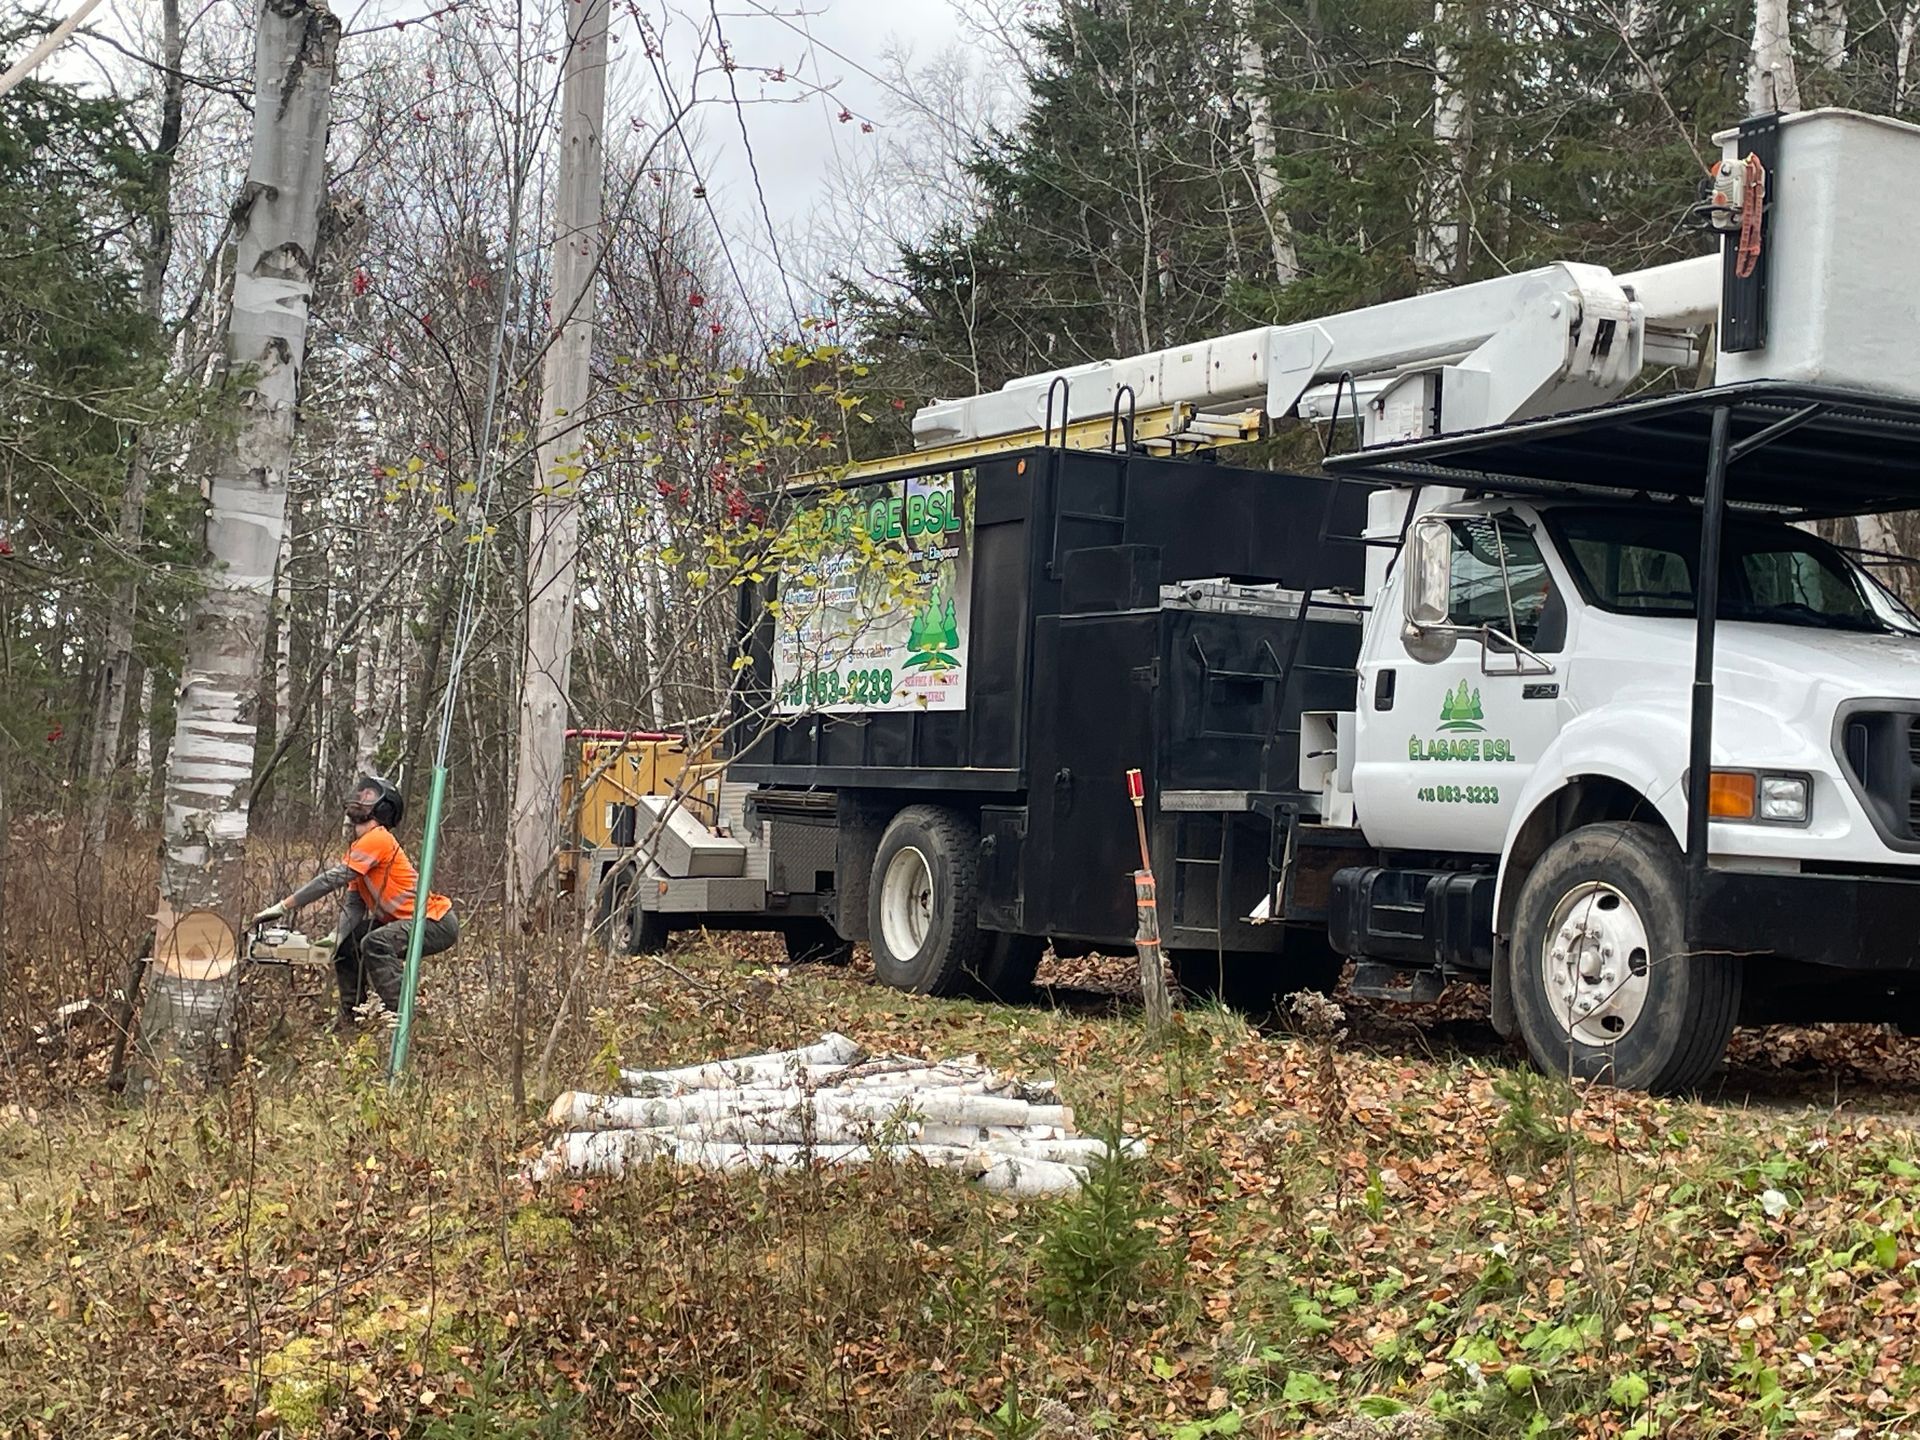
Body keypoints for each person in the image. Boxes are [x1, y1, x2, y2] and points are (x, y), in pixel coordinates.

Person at [251, 775, 459, 1027]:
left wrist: (283, 906)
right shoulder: (360, 848)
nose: (360, 799)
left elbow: (332, 879)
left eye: (368, 796)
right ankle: (353, 1018)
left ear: (384, 808)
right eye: (360, 794)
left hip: (434, 921)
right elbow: (354, 906)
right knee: (349, 943)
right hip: (408, 922)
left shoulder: (379, 838)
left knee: (376, 942)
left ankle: (405, 1019)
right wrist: (335, 938)